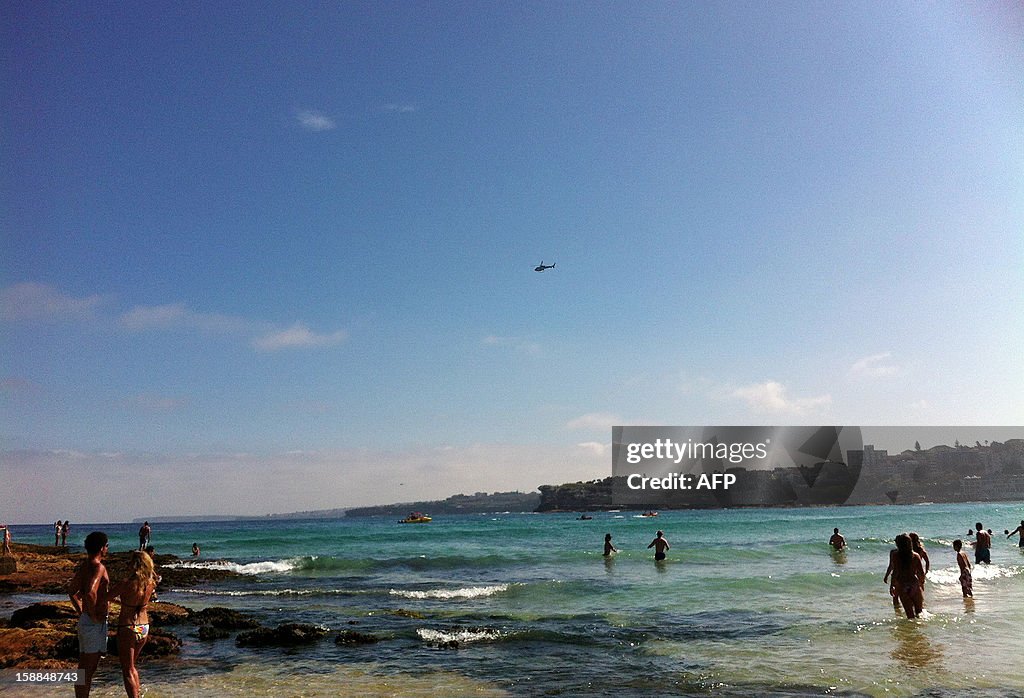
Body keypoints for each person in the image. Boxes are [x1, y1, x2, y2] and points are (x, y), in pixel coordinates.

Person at [67, 531, 110, 697]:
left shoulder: (85, 566)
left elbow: (72, 591)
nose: (107, 549)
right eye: (106, 546)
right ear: (101, 548)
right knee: (89, 668)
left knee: (83, 668)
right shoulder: (98, 567)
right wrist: (93, 616)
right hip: (93, 623)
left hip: (85, 621)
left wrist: (82, 612)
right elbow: (91, 593)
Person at [110, 550, 156, 698]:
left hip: (128, 626)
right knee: (132, 667)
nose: (128, 564)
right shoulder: (150, 583)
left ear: (136, 564)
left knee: (127, 669)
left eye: (130, 562)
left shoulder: (126, 584)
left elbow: (104, 597)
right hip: (143, 626)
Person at [890, 532, 926, 619]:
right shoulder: (916, 556)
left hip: (902, 586)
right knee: (919, 612)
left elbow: (895, 572)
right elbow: (921, 573)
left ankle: (910, 632)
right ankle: (919, 632)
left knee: (910, 616)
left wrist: (892, 585)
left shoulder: (895, 556)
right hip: (914, 584)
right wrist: (921, 583)